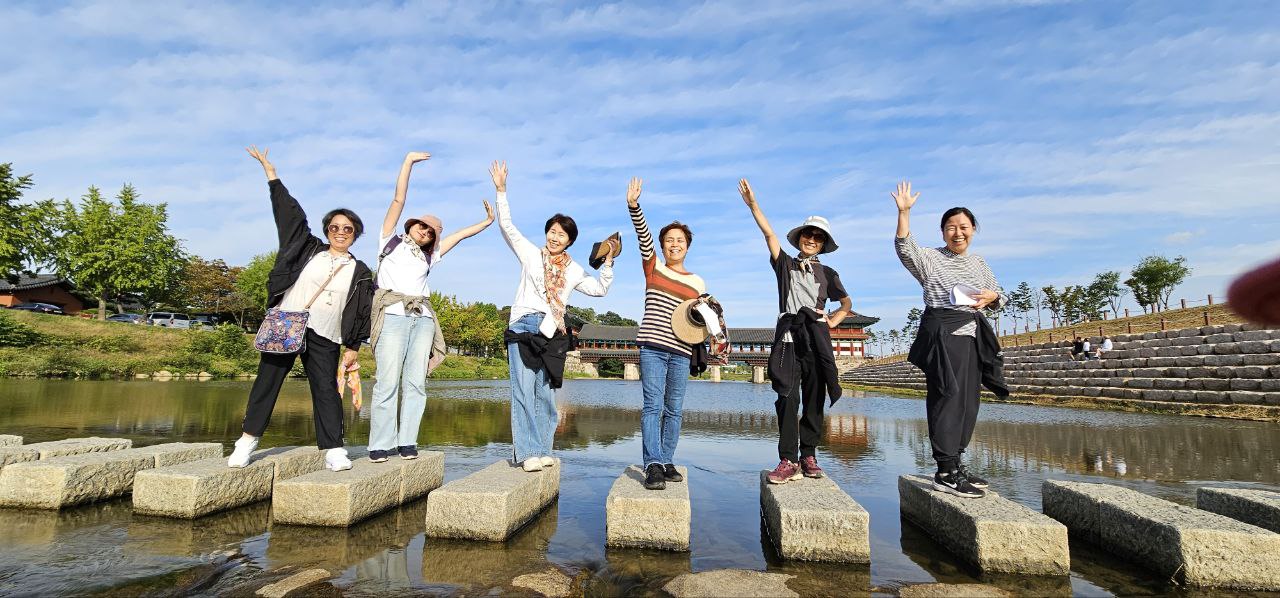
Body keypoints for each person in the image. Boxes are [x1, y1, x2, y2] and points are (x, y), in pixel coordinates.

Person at [228, 146, 374, 472]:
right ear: (327, 231)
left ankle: (334, 450)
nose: (340, 232)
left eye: (347, 229)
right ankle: (246, 442)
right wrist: (271, 174)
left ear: (355, 235)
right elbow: (289, 214)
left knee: (326, 391)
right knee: (267, 383)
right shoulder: (308, 249)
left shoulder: (361, 271)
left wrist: (353, 347)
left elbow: (363, 311)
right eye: (335, 227)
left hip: (326, 334)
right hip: (288, 323)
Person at [367, 151, 495, 463]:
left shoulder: (429, 256)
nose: (425, 232)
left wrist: (488, 221)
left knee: (415, 382)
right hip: (392, 315)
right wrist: (408, 162)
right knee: (386, 381)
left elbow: (460, 236)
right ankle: (380, 444)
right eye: (421, 227)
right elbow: (398, 199)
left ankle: (407, 441)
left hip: (421, 318)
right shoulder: (389, 241)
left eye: (430, 232)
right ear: (412, 226)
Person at [490, 161, 614, 472]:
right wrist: (501, 191)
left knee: (544, 393)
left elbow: (599, 289)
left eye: (562, 234)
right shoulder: (531, 253)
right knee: (522, 390)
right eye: (552, 231)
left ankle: (543, 448)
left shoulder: (573, 270)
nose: (555, 237)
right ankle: (527, 452)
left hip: (551, 332)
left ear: (570, 240)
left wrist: (609, 262)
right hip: (522, 324)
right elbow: (507, 226)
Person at [892, 181, 1008, 498]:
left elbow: (1000, 297)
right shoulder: (930, 258)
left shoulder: (979, 263)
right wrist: (904, 213)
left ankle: (956, 462)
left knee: (969, 402)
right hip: (943, 334)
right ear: (943, 232)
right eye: (951, 227)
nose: (958, 233)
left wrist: (993, 295)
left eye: (964, 227)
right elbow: (904, 247)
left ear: (973, 230)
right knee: (946, 397)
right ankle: (944, 470)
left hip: (973, 336)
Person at [740, 179, 852, 485]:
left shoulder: (828, 273)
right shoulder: (785, 265)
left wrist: (833, 319)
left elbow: (846, 302)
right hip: (789, 336)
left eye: (817, 237)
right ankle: (788, 459)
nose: (811, 239)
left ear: (823, 244)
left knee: (814, 397)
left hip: (816, 337)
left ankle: (809, 455)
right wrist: (754, 205)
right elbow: (769, 234)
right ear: (800, 237)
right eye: (808, 234)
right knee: (786, 397)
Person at [625, 177, 706, 490]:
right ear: (662, 246)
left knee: (674, 410)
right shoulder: (653, 266)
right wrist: (634, 206)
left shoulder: (698, 283)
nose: (675, 244)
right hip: (652, 347)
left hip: (682, 351)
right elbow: (642, 235)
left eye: (680, 240)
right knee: (652, 407)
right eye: (669, 240)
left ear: (687, 245)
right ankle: (653, 464)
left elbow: (699, 321)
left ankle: (667, 458)